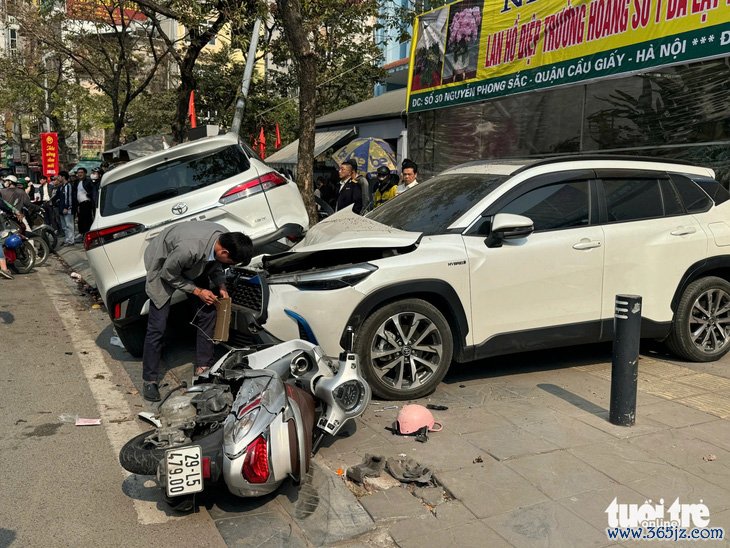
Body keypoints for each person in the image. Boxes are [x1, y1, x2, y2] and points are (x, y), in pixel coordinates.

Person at [141, 221, 253, 402]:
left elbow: (216, 265)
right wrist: (198, 291)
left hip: (193, 262)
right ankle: (150, 380)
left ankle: (203, 367)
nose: (229, 265)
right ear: (224, 252)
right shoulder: (188, 249)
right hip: (163, 264)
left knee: (207, 312)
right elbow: (168, 274)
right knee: (158, 326)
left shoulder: (224, 237)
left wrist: (221, 285)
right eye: (230, 262)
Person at [53, 171, 76, 246]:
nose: (58, 178)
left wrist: (66, 207)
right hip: (61, 208)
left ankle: (71, 241)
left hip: (68, 209)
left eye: (59, 176)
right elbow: (57, 197)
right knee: (64, 226)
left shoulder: (68, 186)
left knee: (69, 225)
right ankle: (67, 239)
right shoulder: (61, 186)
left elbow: (69, 197)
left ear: (63, 177)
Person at [74, 167, 97, 236]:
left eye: (81, 172)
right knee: (80, 220)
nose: (80, 174)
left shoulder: (89, 181)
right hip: (80, 204)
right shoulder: (76, 182)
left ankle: (89, 234)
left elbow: (93, 191)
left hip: (87, 203)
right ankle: (83, 234)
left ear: (85, 173)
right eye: (78, 173)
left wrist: (89, 195)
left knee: (87, 219)